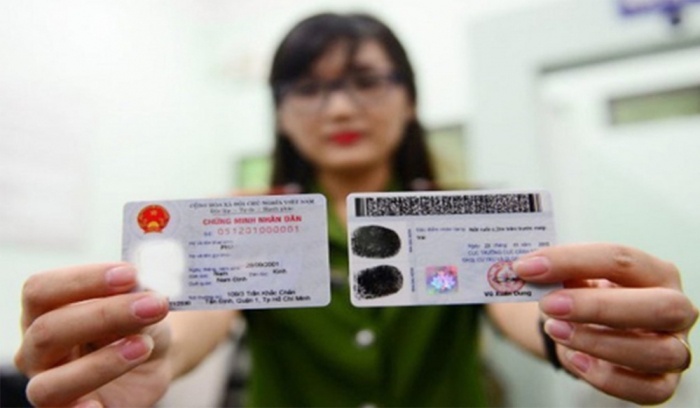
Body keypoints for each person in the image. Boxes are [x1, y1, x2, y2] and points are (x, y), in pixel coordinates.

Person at [14, 12, 697, 408]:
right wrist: (146, 353)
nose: (339, 108)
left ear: (410, 98)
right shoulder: (242, 223)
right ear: (280, 112)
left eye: (366, 81)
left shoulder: (464, 215)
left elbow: (516, 305)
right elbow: (197, 325)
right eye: (309, 88)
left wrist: (581, 332)